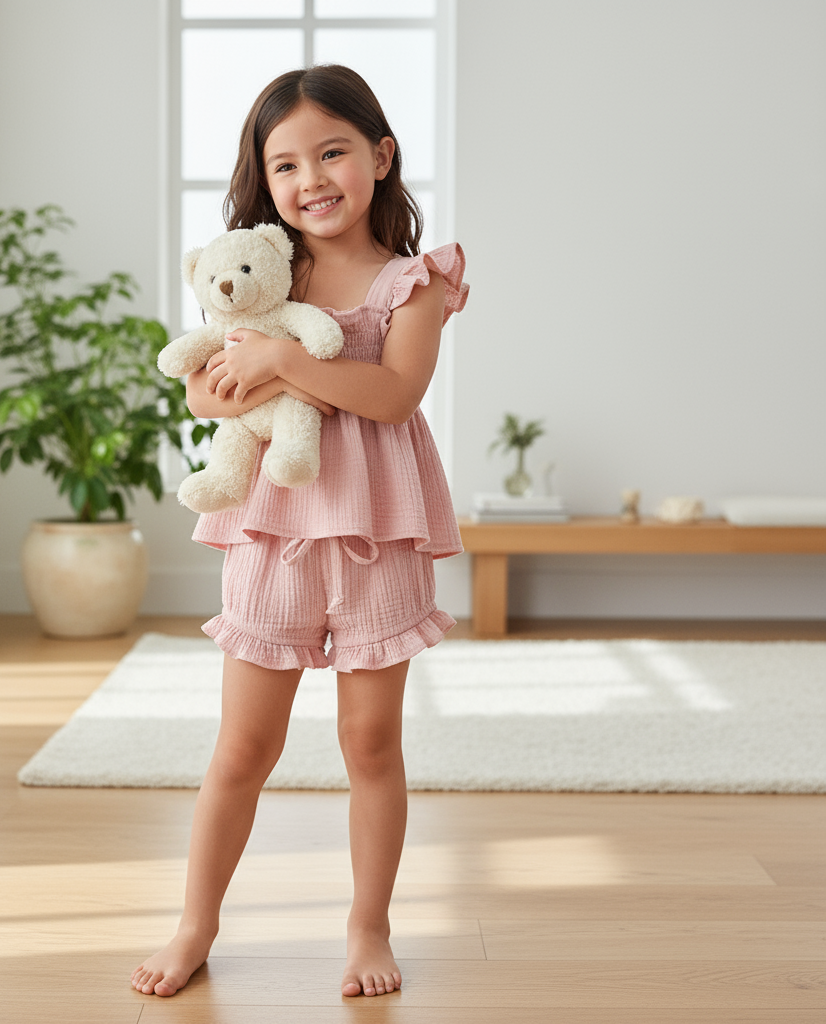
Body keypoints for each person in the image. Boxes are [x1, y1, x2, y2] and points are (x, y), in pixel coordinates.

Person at [131, 63, 468, 1000]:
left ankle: (368, 928)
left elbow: (392, 395)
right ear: (264, 179)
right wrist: (271, 365)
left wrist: (281, 361)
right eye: (285, 164)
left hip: (377, 534)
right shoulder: (260, 270)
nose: (311, 179)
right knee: (243, 747)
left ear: (380, 157)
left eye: (333, 153)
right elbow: (206, 393)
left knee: (371, 745)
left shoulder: (415, 282)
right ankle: (196, 924)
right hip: (273, 533)